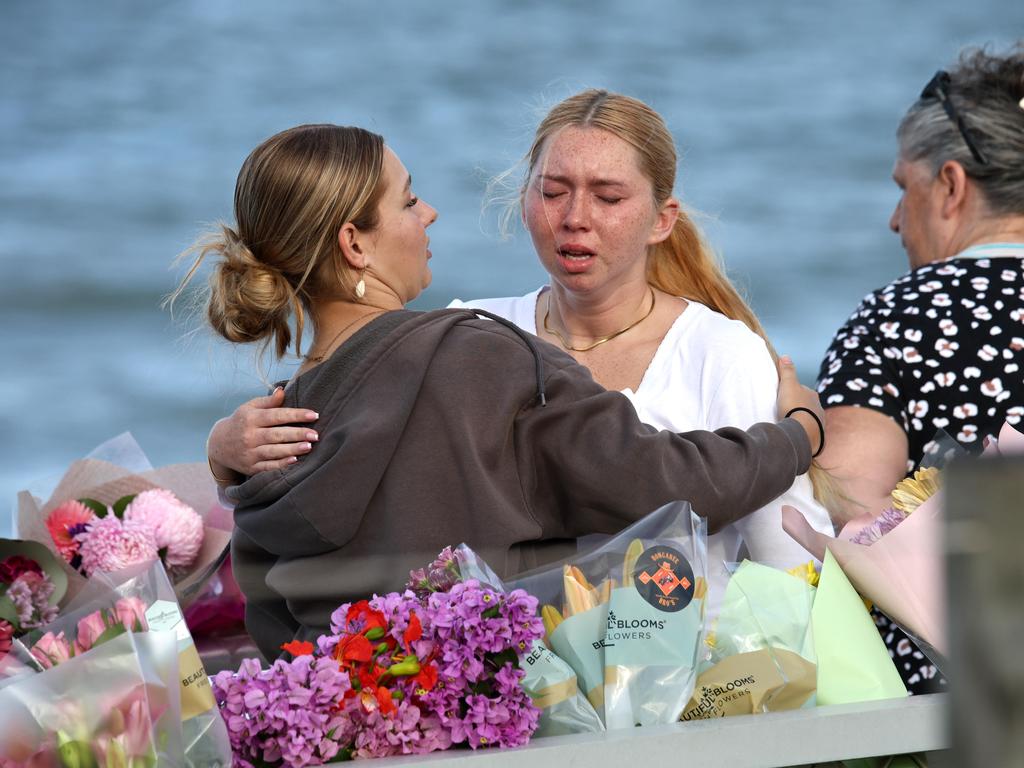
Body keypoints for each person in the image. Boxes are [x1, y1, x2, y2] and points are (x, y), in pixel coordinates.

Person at [184, 123, 825, 661]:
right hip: (482, 722)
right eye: (408, 202)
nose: (428, 212)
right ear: (355, 244)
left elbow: (269, 613)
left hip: (345, 724)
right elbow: (660, 479)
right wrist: (799, 433)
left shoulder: (281, 416)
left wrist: (220, 453)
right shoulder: (480, 355)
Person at [816, 44, 1024, 693]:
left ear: (952, 186)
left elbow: (852, 505)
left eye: (905, 189)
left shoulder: (897, 320)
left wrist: (793, 425)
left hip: (960, 700)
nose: (895, 220)